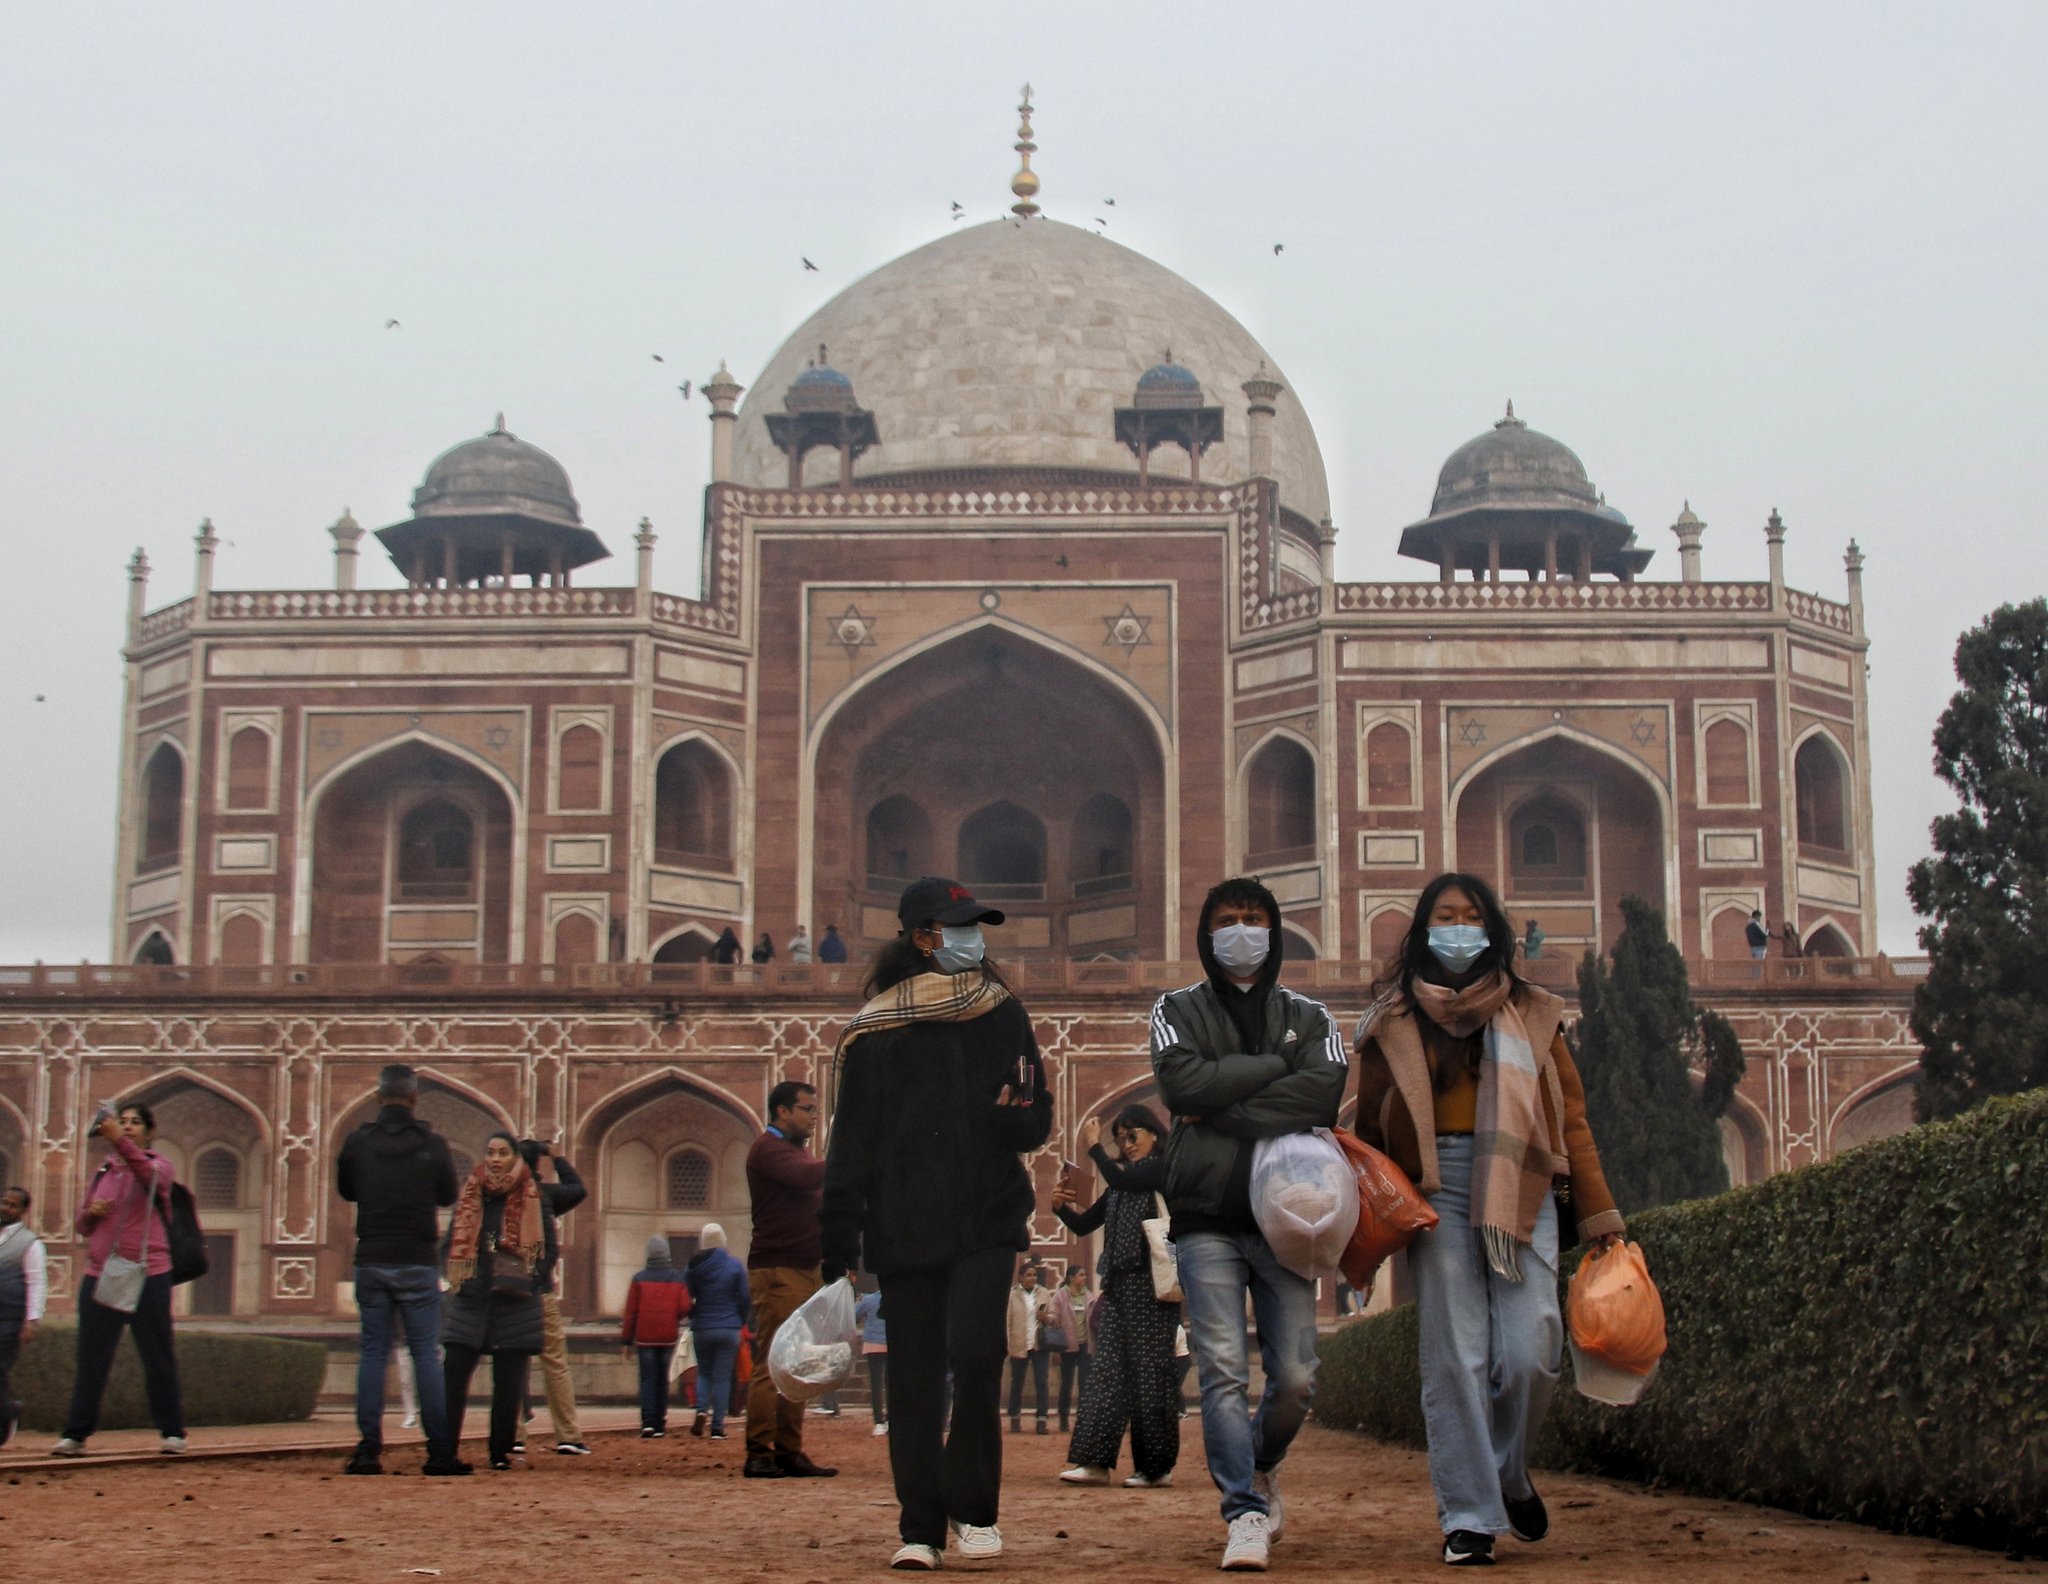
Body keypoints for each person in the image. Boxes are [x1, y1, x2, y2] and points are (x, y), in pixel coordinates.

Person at [1353, 871, 1626, 1568]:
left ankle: (1507, 1474)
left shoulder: (1534, 1011)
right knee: (1456, 1355)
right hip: (1437, 1186)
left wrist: (1601, 1216)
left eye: (1471, 915)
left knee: (1533, 1344)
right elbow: (1368, 1130)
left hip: (1522, 1183)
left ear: (1493, 929)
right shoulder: (1392, 1019)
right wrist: (1362, 1224)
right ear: (1420, 930)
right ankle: (1470, 1516)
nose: (1458, 927)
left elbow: (1572, 1121)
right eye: (1444, 916)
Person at [820, 874, 1052, 1569]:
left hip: (985, 1214)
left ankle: (974, 1509)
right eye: (957, 926)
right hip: (905, 1222)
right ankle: (919, 1526)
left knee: (978, 1355)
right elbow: (852, 1142)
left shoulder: (1002, 1013)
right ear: (922, 936)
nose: (972, 939)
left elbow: (1036, 1117)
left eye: (974, 927)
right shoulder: (875, 1033)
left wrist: (1016, 1119)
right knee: (915, 1377)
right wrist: (838, 1242)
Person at [1152, 875, 1347, 1572]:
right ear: (1206, 934)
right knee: (1224, 1371)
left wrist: (1225, 1102)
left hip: (1289, 1220)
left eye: (1255, 918)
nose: (1242, 931)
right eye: (1229, 920)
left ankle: (1260, 1464)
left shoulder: (1312, 1016)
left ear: (1276, 931)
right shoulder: (1174, 1009)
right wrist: (1274, 1074)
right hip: (1206, 1216)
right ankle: (1242, 1510)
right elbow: (1180, 1087)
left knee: (1295, 1376)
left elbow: (1324, 1091)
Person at [337, 1064, 464, 1476]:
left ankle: (369, 1449)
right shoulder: (433, 1143)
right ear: (413, 1098)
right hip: (416, 1260)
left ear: (378, 1097)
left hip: (373, 1257)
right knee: (425, 1352)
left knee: (374, 1352)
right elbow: (448, 1195)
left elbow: (347, 1190)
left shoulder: (358, 1141)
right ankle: (440, 1451)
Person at [1053, 1105, 1179, 1489]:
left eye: (1133, 1136)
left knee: (1150, 1377)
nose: (1126, 1145)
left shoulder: (1160, 1169)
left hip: (1153, 1288)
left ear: (1153, 1135)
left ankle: (1155, 1467)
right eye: (1120, 1139)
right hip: (1119, 1288)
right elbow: (1085, 1222)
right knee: (1106, 1374)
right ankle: (1094, 1462)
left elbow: (1124, 1179)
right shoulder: (1121, 1186)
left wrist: (1095, 1149)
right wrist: (1061, 1209)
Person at [52, 1103, 187, 1458]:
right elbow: (82, 1225)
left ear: (149, 1132)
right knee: (92, 1358)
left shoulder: (160, 1165)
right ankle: (76, 1434)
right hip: (101, 1273)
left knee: (157, 1356)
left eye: (135, 1123)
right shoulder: (104, 1171)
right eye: (122, 1122)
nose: (126, 1127)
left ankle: (172, 1432)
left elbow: (149, 1176)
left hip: (148, 1273)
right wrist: (90, 1214)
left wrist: (119, 1142)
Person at [742, 1080, 836, 1480]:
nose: (814, 1117)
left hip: (801, 1267)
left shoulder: (791, 1151)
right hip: (778, 1268)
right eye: (808, 1109)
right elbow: (809, 1177)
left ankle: (788, 1449)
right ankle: (759, 1451)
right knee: (772, 1361)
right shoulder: (769, 1150)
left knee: (795, 1361)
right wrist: (853, 1156)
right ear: (783, 1111)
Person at [440, 1131, 548, 1471]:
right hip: (472, 1296)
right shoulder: (472, 1194)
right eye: (490, 1152)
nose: (495, 1159)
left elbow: (548, 1250)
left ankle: (500, 1451)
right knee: (454, 1374)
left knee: (508, 1382)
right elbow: (450, 1241)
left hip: (514, 1300)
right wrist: (458, 1273)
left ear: (515, 1157)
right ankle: (445, 1448)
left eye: (503, 1152)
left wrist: (526, 1276)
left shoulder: (533, 1196)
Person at [517, 1139, 591, 1455]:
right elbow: (577, 1189)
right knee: (555, 1363)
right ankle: (568, 1435)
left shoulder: (501, 1196)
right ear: (537, 1165)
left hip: (509, 1291)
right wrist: (559, 1159)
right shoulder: (544, 1195)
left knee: (513, 1362)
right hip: (540, 1290)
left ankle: (512, 1435)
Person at [684, 1222, 751, 1440]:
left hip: (703, 1326)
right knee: (723, 1378)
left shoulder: (694, 1266)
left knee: (704, 1373)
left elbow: (687, 1293)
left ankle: (701, 1409)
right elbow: (744, 1297)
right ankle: (718, 1426)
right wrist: (739, 1320)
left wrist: (695, 1314)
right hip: (729, 1327)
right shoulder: (735, 1265)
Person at [621, 1236, 692, 1437]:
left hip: (644, 1338)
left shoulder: (638, 1279)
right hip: (667, 1337)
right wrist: (673, 1318)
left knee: (647, 1380)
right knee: (662, 1380)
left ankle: (648, 1422)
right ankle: (660, 1423)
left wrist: (626, 1340)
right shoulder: (677, 1278)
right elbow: (685, 1306)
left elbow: (631, 1312)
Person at [0, 1184, 48, 1448]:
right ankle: (7, 1410)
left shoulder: (30, 1243)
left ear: (23, 1211)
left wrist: (32, 1320)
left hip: (9, 1315)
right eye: (4, 1202)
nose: (5, 1207)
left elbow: (36, 1282)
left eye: (11, 1205)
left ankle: (7, 1411)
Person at [1042, 1264, 1092, 1434]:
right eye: (1081, 1275)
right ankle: (1063, 1417)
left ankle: (1083, 1418)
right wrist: (1046, 1318)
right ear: (1071, 1277)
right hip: (1067, 1345)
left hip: (1085, 1344)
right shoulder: (1060, 1296)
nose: (1084, 1278)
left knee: (1085, 1383)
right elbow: (1055, 1318)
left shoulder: (1089, 1296)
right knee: (1067, 1383)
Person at [856, 1285, 889, 1436]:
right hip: (891, 1345)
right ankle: (889, 1419)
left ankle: (879, 1422)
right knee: (891, 1385)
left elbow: (856, 1315)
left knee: (876, 1386)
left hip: (873, 1346)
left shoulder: (869, 1300)